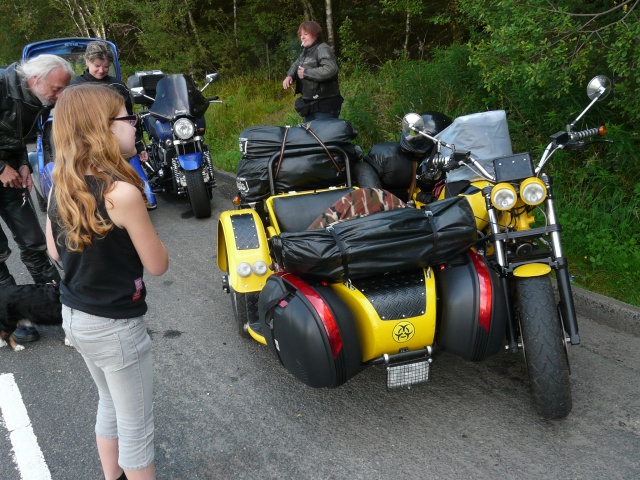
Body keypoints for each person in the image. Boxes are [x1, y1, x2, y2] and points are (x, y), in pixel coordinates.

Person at [46, 83, 168, 480]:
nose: (134, 125)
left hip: (75, 316)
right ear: (101, 128)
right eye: (126, 118)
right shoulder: (122, 193)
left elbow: (52, 251)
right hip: (116, 327)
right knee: (137, 428)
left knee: (109, 403)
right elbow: (158, 263)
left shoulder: (60, 186)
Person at [0, 53, 73, 343]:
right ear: (35, 79)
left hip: (10, 175)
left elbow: (15, 137)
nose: (59, 96)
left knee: (33, 240)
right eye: (56, 89)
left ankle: (56, 303)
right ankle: (10, 316)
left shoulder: (37, 99)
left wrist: (23, 163)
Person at [282, 20, 343, 122]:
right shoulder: (306, 52)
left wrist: (306, 73)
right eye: (301, 35)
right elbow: (296, 64)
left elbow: (331, 69)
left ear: (315, 34)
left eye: (306, 34)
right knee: (311, 136)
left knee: (322, 136)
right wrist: (290, 76)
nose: (302, 37)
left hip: (325, 105)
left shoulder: (322, 49)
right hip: (311, 104)